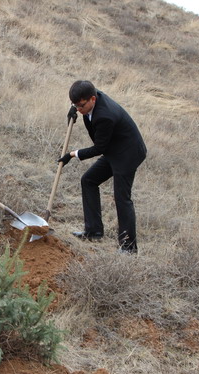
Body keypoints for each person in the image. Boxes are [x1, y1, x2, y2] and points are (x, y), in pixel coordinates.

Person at [58, 80, 146, 254]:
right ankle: (94, 231)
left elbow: (100, 148)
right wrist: (74, 109)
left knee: (122, 198)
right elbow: (81, 106)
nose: (78, 109)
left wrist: (73, 154)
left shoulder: (105, 116)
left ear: (92, 99)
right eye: (75, 105)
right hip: (115, 150)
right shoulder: (89, 100)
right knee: (89, 180)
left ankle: (129, 248)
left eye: (80, 106)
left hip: (127, 154)